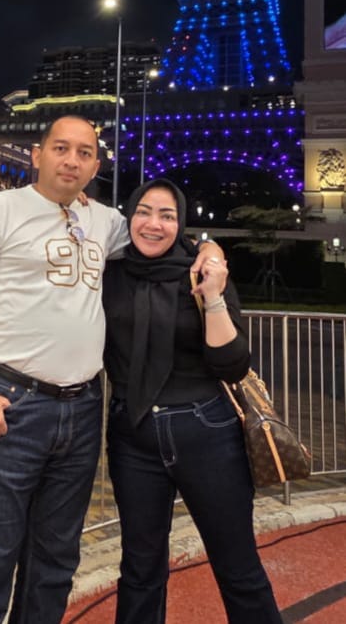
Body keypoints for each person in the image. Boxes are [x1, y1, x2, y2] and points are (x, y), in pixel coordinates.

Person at [0, 115, 224, 624]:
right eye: (61, 148)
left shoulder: (107, 222)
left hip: (83, 409)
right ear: (38, 154)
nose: (72, 160)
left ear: (96, 166)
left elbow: (160, 234)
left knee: (54, 562)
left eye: (85, 153)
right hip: (12, 405)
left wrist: (210, 246)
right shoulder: (2, 209)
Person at [102, 178, 283, 624]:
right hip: (133, 434)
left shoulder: (203, 272)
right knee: (139, 569)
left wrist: (214, 294)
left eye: (167, 216)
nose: (154, 224)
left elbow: (232, 364)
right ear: (129, 217)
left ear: (180, 222)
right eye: (144, 212)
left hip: (207, 433)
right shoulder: (111, 273)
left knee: (236, 564)